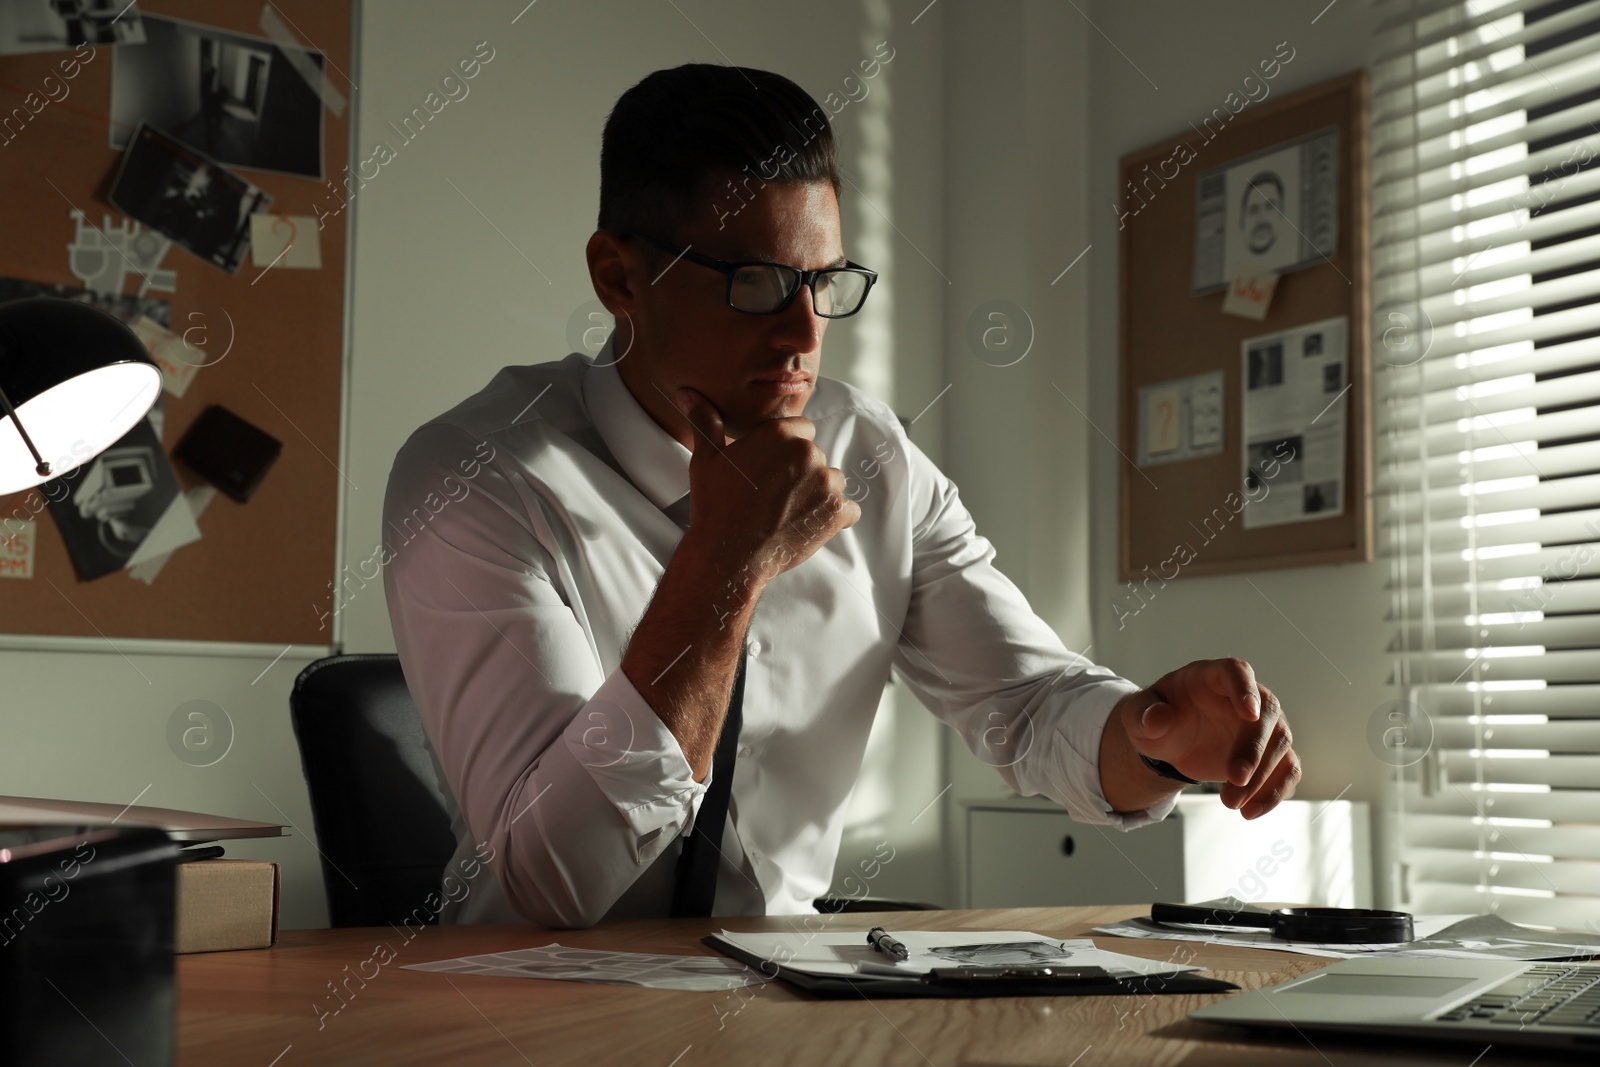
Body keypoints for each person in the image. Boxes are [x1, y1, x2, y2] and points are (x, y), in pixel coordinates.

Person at [383, 63, 1301, 929]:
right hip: (534, 1009)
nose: (802, 333)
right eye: (756, 284)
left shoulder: (871, 455)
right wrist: (727, 560)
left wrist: (1153, 733)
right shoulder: (474, 477)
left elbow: (1029, 711)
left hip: (785, 991)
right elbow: (555, 882)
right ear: (619, 277)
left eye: (824, 283)